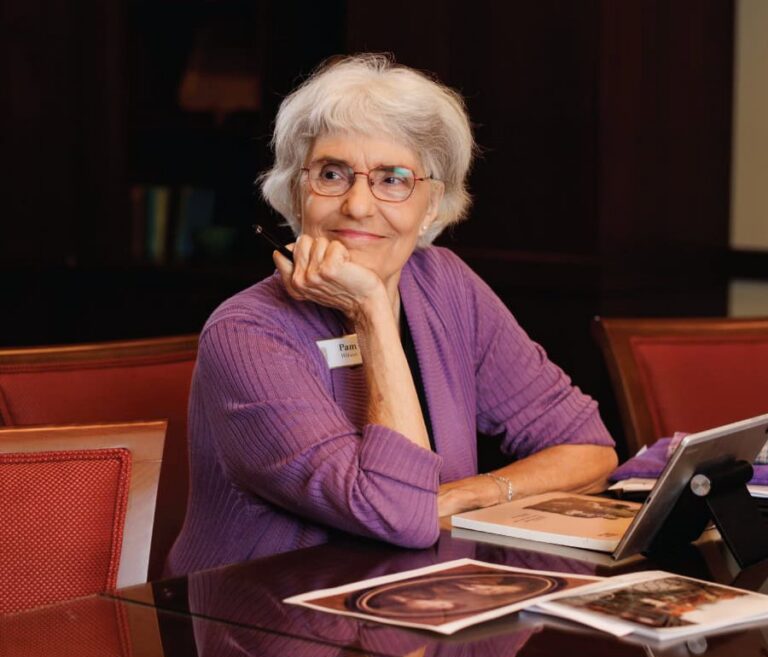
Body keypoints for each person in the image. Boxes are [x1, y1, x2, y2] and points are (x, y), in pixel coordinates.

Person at [166, 54, 617, 576]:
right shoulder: (246, 335)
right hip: (276, 624)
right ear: (296, 191)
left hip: (420, 599)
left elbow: (588, 449)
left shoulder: (445, 284)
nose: (358, 205)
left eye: (393, 178)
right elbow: (401, 517)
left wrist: (470, 495)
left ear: (431, 204)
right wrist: (371, 310)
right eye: (332, 174)